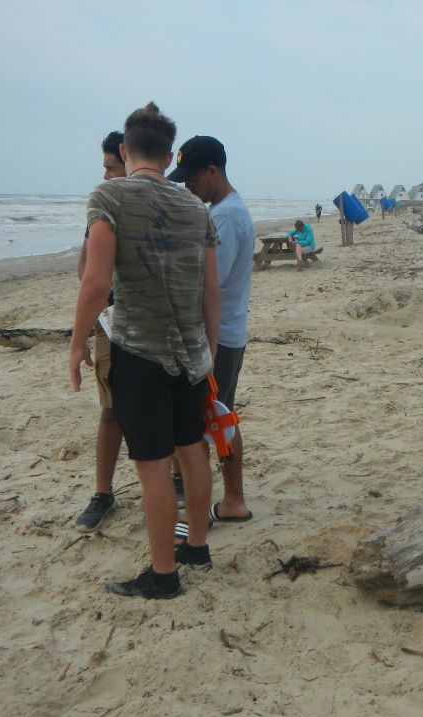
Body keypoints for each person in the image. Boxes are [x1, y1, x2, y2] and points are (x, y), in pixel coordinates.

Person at [69, 102, 221, 599]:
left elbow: (95, 282)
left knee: (154, 463)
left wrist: (75, 344)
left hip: (139, 350)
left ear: (123, 150)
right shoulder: (196, 208)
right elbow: (210, 292)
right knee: (192, 448)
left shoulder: (108, 196)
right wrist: (209, 353)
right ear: (165, 151)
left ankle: (162, 576)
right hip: (192, 355)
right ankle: (196, 548)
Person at [167, 135, 254, 526]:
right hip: (226, 333)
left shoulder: (224, 217)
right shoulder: (229, 210)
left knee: (202, 424)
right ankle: (233, 501)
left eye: (192, 178)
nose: (188, 186)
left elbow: (208, 286)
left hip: (215, 338)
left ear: (213, 172)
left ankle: (212, 509)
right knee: (221, 416)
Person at [73, 131, 126, 533]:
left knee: (168, 412)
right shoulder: (103, 210)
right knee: (111, 411)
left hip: (153, 325)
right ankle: (103, 492)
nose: (106, 175)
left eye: (111, 167)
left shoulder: (156, 206)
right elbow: (85, 272)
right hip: (111, 325)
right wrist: (91, 326)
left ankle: (177, 480)